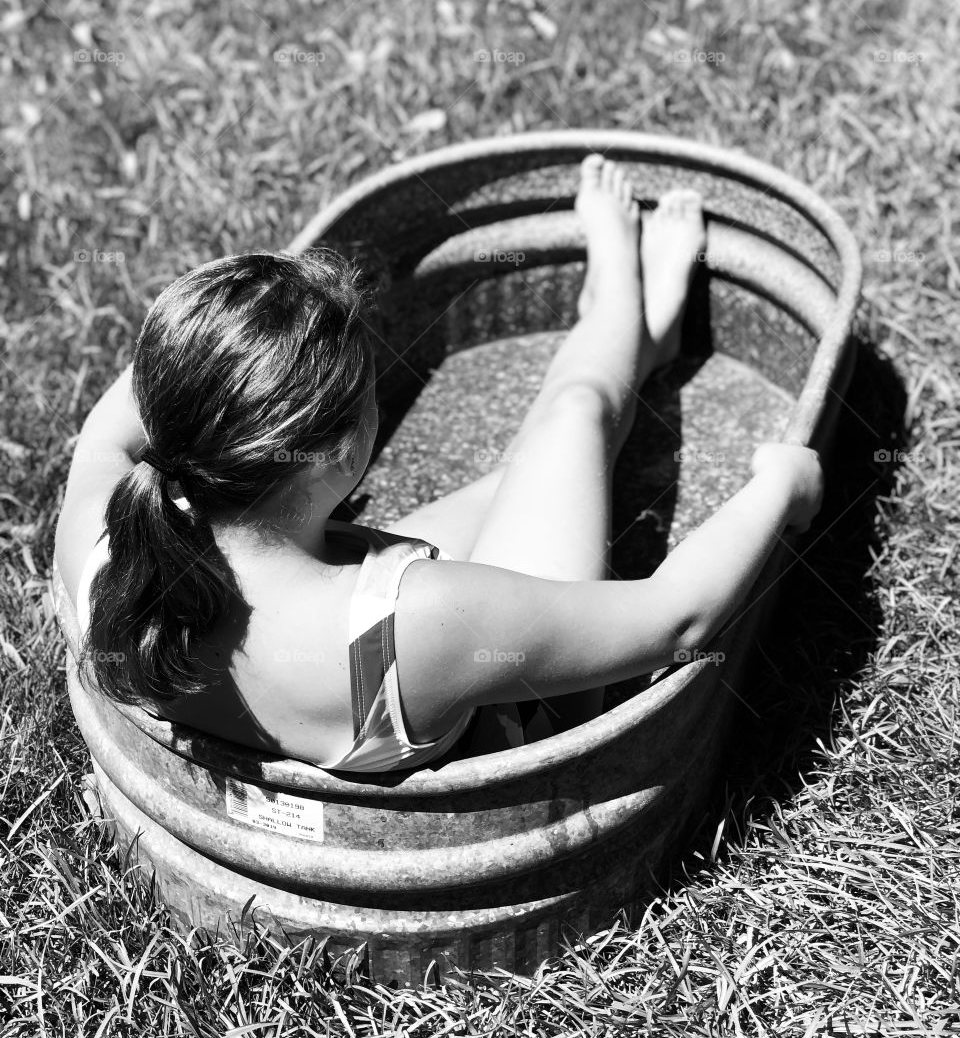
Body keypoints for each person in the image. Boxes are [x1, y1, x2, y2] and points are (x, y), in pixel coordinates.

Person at [54, 155, 823, 774]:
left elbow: (112, 430)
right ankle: (615, 312)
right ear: (341, 451)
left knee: (538, 471)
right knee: (573, 418)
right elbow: (678, 618)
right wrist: (780, 487)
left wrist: (242, 325)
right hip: (480, 695)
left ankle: (634, 338)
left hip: (368, 657)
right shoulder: (421, 617)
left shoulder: (102, 550)